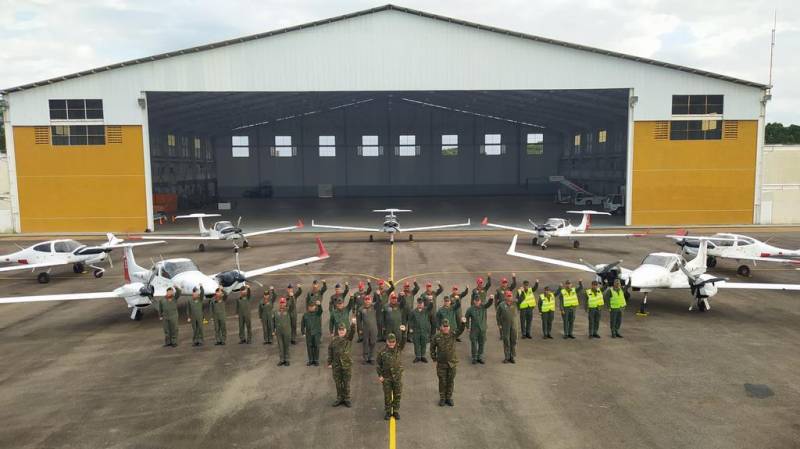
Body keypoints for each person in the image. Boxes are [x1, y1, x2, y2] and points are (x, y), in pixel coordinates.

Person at [430, 317, 466, 406]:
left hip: (452, 363)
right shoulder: (437, 336)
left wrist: (463, 323)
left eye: (447, 326)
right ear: (441, 327)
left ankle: (449, 398)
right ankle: (442, 398)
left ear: (449, 327)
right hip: (441, 364)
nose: (446, 328)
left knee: (450, 381)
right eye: (444, 326)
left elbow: (460, 330)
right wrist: (434, 357)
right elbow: (432, 347)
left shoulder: (453, 334)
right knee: (442, 381)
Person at [376, 326, 407, 420]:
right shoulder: (382, 352)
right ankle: (388, 411)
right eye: (390, 342)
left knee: (397, 394)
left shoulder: (398, 348)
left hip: (397, 376)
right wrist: (380, 375)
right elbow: (378, 364)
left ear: (395, 342)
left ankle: (396, 411)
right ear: (387, 341)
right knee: (387, 396)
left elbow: (404, 341)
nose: (391, 344)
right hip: (387, 378)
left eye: (393, 342)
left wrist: (404, 332)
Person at [327, 318, 357, 407]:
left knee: (346, 383)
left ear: (345, 330)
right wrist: (329, 362)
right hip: (336, 365)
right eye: (340, 330)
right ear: (338, 331)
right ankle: (339, 398)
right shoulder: (334, 341)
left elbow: (352, 332)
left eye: (343, 330)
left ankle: (347, 398)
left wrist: (353, 324)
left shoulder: (348, 338)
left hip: (346, 365)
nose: (341, 331)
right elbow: (330, 352)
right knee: (338, 383)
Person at [464, 293, 494, 364]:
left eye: (478, 300)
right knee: (474, 344)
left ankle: (480, 357)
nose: (477, 302)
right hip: (474, 330)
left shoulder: (483, 307)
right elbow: (466, 318)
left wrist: (491, 299)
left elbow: (489, 304)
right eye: (476, 300)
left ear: (480, 301)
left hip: (482, 329)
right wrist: (467, 327)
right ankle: (474, 357)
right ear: (474, 301)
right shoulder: (470, 309)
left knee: (481, 343)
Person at [497, 290, 521, 363]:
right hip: (505, 326)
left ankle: (512, 357)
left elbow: (522, 300)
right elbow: (498, 315)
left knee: (513, 341)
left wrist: (521, 292)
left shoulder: (515, 303)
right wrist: (499, 324)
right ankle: (507, 357)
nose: (509, 297)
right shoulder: (501, 305)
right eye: (508, 296)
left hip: (514, 325)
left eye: (510, 296)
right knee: (506, 340)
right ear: (505, 296)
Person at [407, 297, 432, 363]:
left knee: (424, 343)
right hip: (416, 330)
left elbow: (430, 307)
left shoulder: (426, 310)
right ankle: (418, 356)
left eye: (421, 303)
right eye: (419, 303)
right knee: (417, 344)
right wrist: (411, 328)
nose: (420, 304)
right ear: (417, 304)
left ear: (423, 304)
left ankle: (423, 356)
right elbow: (410, 320)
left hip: (424, 330)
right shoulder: (413, 311)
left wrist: (431, 301)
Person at [359, 294, 379, 364]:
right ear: (364, 301)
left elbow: (379, 302)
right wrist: (360, 329)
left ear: (371, 300)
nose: (367, 301)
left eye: (368, 300)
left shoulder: (374, 306)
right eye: (366, 300)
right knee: (365, 343)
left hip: (374, 328)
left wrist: (378, 295)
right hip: (365, 329)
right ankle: (365, 358)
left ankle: (372, 357)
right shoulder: (361, 309)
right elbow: (359, 320)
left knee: (373, 342)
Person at [301, 299, 323, 365]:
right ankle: (310, 360)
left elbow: (321, 310)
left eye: (312, 306)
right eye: (310, 306)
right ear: (308, 307)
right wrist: (303, 332)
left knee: (316, 346)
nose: (311, 307)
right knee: (309, 347)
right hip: (309, 333)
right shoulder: (305, 315)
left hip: (316, 333)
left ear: (315, 307)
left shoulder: (318, 313)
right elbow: (302, 324)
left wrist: (319, 305)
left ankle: (316, 360)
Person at [273, 297, 292, 366]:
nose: (282, 304)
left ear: (285, 303)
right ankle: (282, 360)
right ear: (279, 303)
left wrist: (291, 297)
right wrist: (273, 330)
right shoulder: (275, 312)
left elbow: (292, 305)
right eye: (281, 303)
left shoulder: (288, 310)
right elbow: (273, 321)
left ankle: (287, 360)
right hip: (279, 332)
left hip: (286, 331)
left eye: (283, 302)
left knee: (286, 346)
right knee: (280, 346)